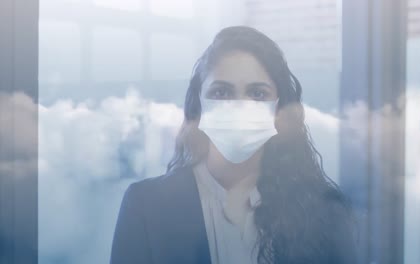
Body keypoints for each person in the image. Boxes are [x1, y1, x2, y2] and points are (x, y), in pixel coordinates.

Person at [110, 26, 357, 264]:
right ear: (199, 105)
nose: (239, 106)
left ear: (279, 109)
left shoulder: (326, 213)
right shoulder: (146, 206)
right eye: (222, 92)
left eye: (258, 94)